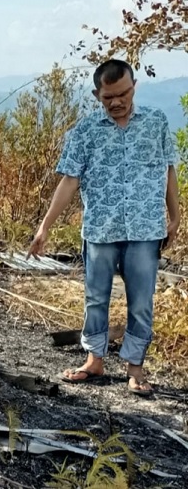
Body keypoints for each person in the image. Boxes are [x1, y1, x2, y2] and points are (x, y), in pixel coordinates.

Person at [28, 58, 180, 397]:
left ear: (133, 87)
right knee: (96, 298)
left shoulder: (155, 122)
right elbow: (69, 181)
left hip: (144, 230)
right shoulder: (85, 130)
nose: (116, 102)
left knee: (141, 302)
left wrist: (175, 215)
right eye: (108, 96)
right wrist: (44, 227)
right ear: (98, 94)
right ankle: (94, 360)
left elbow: (169, 170)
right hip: (100, 229)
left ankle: (135, 370)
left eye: (122, 94)